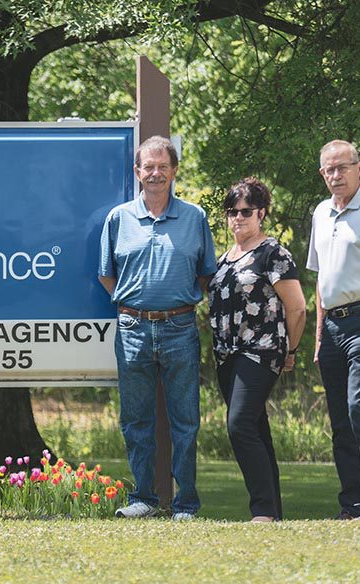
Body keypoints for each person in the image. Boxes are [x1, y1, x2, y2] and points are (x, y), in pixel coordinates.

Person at [99, 135, 216, 520]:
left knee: (186, 420)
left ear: (174, 171)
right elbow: (106, 276)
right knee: (136, 420)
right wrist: (138, 306)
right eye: (148, 167)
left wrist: (173, 304)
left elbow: (205, 276)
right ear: (137, 172)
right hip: (132, 328)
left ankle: (186, 503)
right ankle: (143, 499)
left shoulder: (195, 218)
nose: (155, 173)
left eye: (162, 166)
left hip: (180, 327)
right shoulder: (118, 218)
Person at [208, 177, 306, 522]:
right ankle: (273, 511)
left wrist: (290, 351)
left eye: (246, 211)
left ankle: (262, 511)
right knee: (257, 431)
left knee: (239, 425)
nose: (238, 218)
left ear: (261, 213)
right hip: (227, 356)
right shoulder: (222, 259)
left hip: (261, 352)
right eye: (232, 212)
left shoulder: (272, 253)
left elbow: (297, 308)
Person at [308, 139, 360, 520]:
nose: (336, 175)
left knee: (359, 408)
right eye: (329, 169)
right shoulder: (320, 213)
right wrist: (318, 334)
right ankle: (352, 504)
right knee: (340, 421)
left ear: (358, 167)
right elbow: (321, 280)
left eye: (342, 167)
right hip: (332, 328)